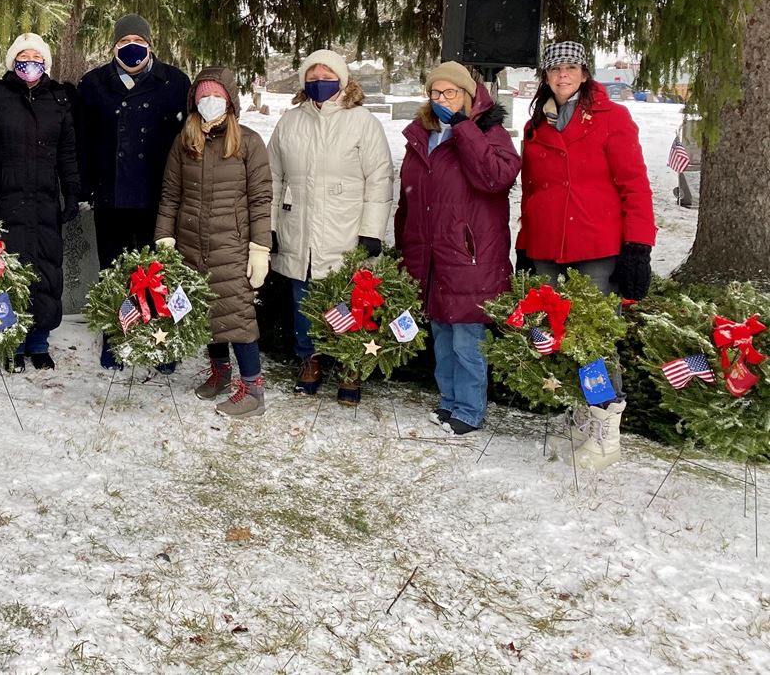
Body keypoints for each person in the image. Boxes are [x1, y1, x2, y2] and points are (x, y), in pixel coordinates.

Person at [516, 39, 656, 465]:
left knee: (592, 338)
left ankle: (605, 429)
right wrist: (523, 246)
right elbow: (531, 192)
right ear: (545, 76)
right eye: (555, 69)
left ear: (584, 73)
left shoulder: (612, 118)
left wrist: (639, 245)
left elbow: (634, 184)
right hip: (545, 246)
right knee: (558, 335)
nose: (562, 76)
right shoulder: (536, 124)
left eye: (571, 68)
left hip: (594, 246)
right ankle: (582, 412)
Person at [395, 62, 520, 436]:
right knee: (443, 337)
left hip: (471, 256)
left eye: (450, 93)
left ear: (468, 95)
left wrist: (464, 128)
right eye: (435, 93)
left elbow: (496, 177)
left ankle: (469, 408)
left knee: (468, 340)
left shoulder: (489, 132)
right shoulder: (423, 136)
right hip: (431, 255)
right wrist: (407, 248)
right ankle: (448, 401)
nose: (442, 100)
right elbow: (409, 199)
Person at [267, 49, 392, 404]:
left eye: (327, 76)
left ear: (342, 79)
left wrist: (371, 231)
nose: (319, 82)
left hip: (345, 231)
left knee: (347, 301)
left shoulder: (362, 121)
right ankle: (311, 359)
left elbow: (379, 178)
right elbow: (274, 178)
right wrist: (271, 226)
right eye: (313, 76)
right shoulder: (290, 122)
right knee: (303, 300)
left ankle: (350, 361)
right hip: (300, 229)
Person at [75, 13, 191, 370]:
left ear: (150, 45)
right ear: (114, 46)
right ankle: (116, 333)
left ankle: (160, 335)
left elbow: (187, 141)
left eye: (138, 43)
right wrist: (84, 186)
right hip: (110, 195)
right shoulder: (93, 84)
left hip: (158, 196)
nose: (131, 49)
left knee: (158, 270)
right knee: (113, 269)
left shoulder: (174, 82)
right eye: (124, 43)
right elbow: (81, 141)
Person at [155, 68, 273, 416]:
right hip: (191, 243)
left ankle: (253, 390)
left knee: (237, 316)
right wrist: (164, 238)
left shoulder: (249, 142)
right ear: (194, 102)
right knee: (207, 314)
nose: (210, 102)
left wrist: (259, 249)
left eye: (217, 96)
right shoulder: (184, 141)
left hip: (232, 246)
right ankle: (220, 373)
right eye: (204, 96)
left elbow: (260, 199)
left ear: (230, 101)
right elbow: (170, 195)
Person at [0, 33, 80, 371]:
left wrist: (72, 191)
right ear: (13, 62)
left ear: (46, 63)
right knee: (8, 271)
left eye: (37, 58)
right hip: (4, 200)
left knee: (44, 268)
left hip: (44, 202)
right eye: (23, 57)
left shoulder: (58, 101)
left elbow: (67, 154)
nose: (30, 63)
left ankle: (38, 342)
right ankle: (10, 339)